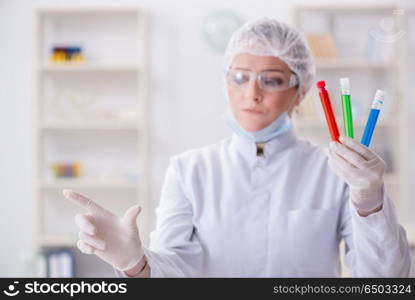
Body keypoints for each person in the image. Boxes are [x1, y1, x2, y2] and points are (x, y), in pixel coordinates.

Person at [63, 17, 411, 277]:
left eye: (271, 80)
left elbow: (384, 279)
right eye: (240, 76)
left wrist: (370, 203)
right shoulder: (190, 170)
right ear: (225, 80)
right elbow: (175, 273)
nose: (252, 94)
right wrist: (134, 262)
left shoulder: (333, 170)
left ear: (300, 92)